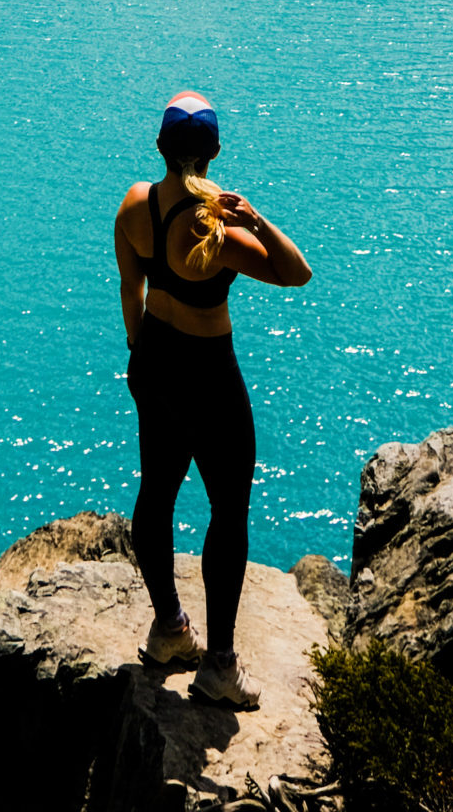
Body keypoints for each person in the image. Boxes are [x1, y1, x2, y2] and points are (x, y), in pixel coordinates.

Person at [113, 90, 313, 710]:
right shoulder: (217, 231)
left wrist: (142, 358)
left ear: (160, 148)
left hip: (153, 362)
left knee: (157, 492)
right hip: (209, 379)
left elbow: (131, 289)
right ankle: (219, 669)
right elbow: (296, 271)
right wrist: (253, 218)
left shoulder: (134, 205)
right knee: (228, 514)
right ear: (217, 151)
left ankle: (170, 629)